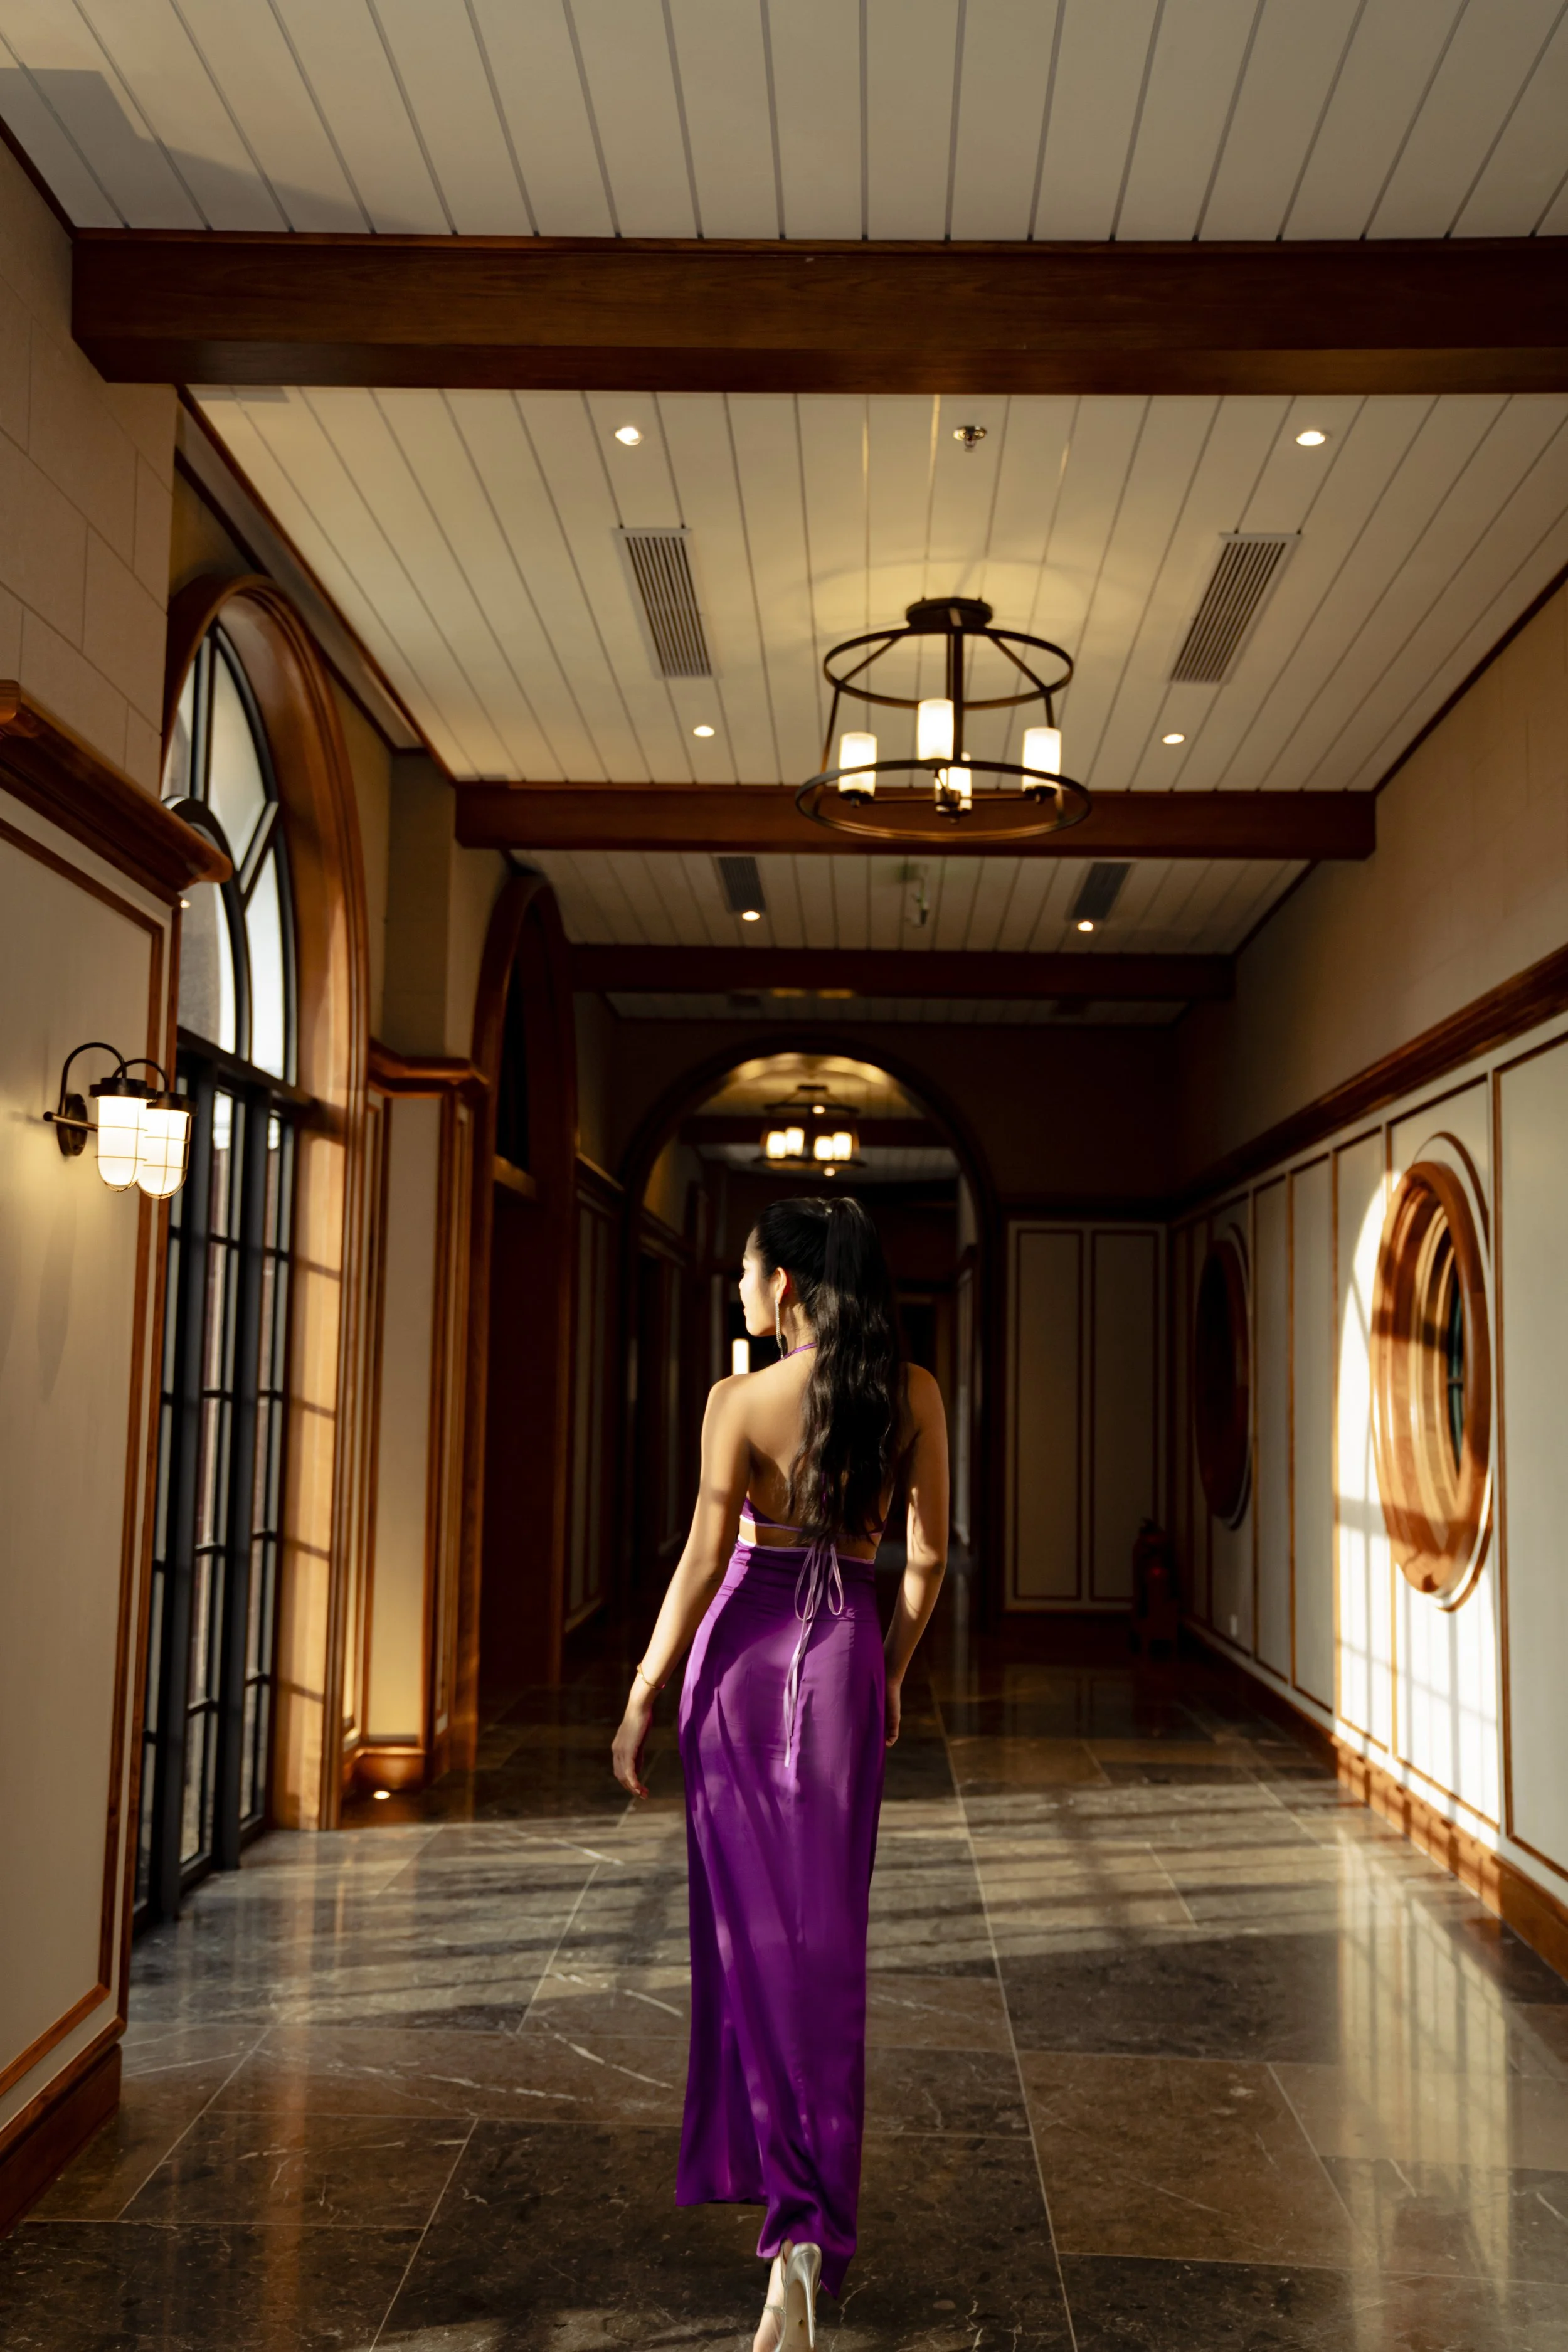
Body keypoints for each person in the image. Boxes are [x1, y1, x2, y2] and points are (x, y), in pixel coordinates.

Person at [612, 1194, 949, 2349]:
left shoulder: (736, 1401)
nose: (737, 1290)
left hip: (739, 1672)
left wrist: (647, 1689)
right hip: (845, 1655)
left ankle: (784, 2207)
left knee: (749, 1945)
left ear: (788, 1288)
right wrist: (892, 1670)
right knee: (824, 1949)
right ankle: (807, 2238)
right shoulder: (912, 1394)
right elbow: (929, 1557)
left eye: (747, 1274)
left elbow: (707, 1559)